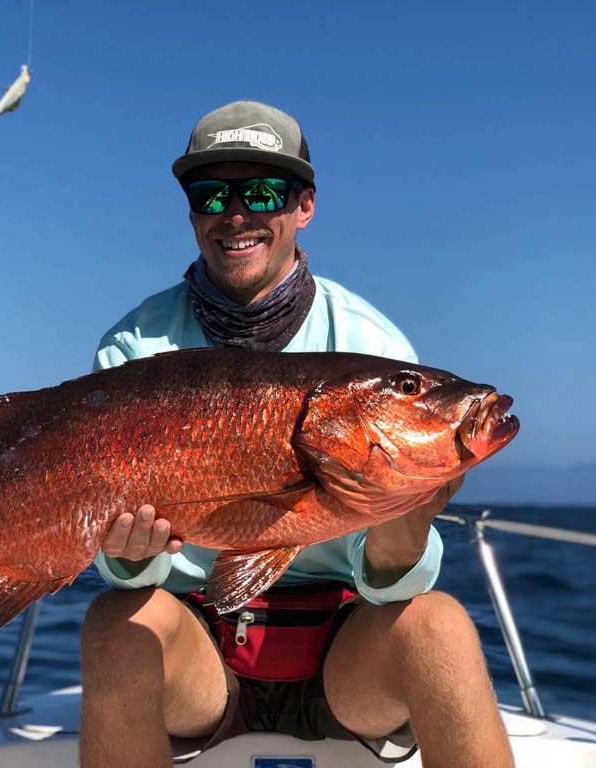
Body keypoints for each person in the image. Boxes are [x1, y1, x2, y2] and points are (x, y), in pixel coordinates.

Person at [79, 101, 514, 768]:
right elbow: (124, 567)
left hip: (345, 659)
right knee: (115, 624)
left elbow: (394, 593)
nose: (235, 213)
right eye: (211, 194)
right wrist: (131, 551)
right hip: (197, 654)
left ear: (303, 206)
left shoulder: (372, 342)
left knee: (443, 626)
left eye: (262, 192)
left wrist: (405, 526)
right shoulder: (135, 348)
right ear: (191, 210)